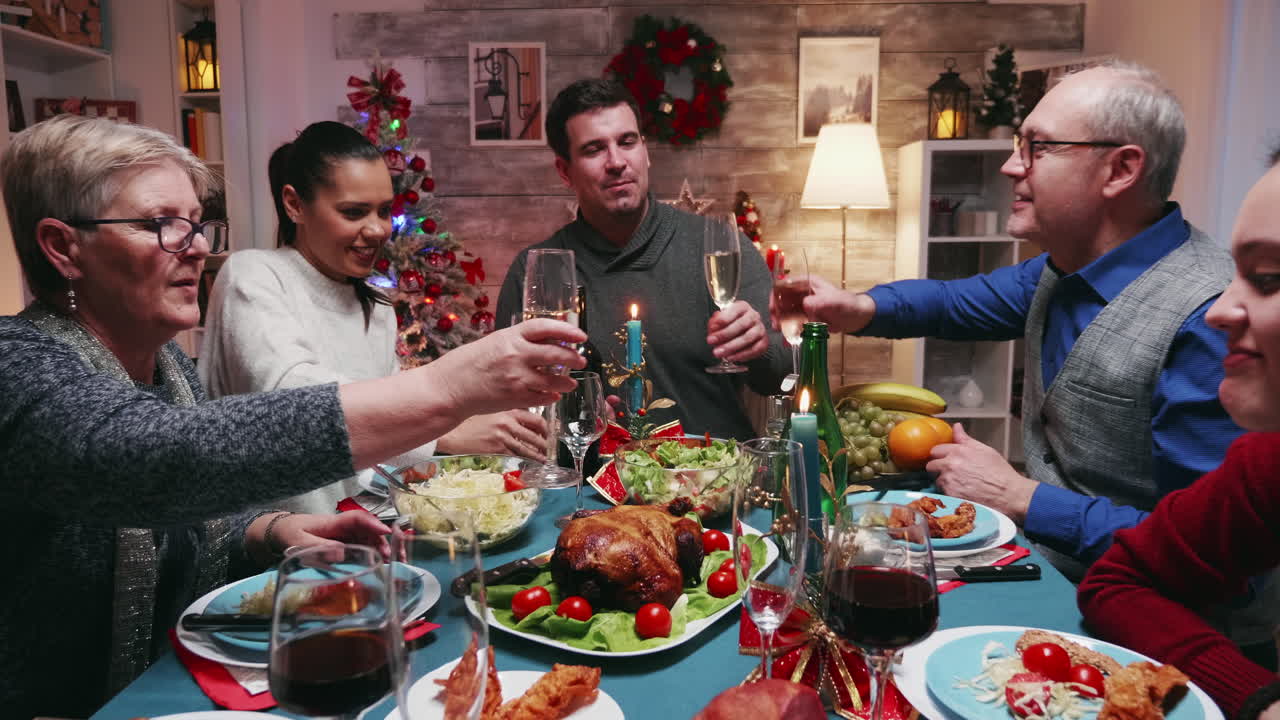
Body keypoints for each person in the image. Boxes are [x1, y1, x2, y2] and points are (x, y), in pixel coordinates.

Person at [0, 115, 584, 718]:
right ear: (63, 247)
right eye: (161, 225)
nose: (198, 246)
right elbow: (145, 459)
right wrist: (447, 389)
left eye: (197, 225)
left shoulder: (166, 365)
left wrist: (273, 530)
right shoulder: (15, 362)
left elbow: (197, 514)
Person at [790, 60, 1244, 582]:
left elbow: (1215, 555)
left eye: (1039, 146)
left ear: (1120, 170)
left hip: (1169, 636)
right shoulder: (1062, 270)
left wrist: (1020, 496)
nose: (1011, 166)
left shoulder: (1211, 321)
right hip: (1062, 581)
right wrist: (860, 307)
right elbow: (950, 302)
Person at [199, 121, 548, 514]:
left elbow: (371, 457)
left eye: (384, 211)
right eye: (353, 212)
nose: (378, 229)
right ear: (294, 204)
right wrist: (444, 428)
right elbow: (292, 404)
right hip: (265, 548)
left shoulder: (377, 309)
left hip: (352, 540)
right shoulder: (252, 275)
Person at [1078, 148, 1280, 720]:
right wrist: (1259, 696)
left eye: (1268, 279)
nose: (1220, 311)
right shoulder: (1267, 463)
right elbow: (1120, 579)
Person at [496, 78, 789, 440]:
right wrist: (564, 413)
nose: (617, 162)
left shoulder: (718, 248)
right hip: (590, 488)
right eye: (593, 149)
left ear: (645, 151)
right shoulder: (537, 272)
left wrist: (758, 348)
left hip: (714, 479)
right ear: (564, 171)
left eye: (627, 142)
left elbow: (786, 378)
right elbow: (507, 398)